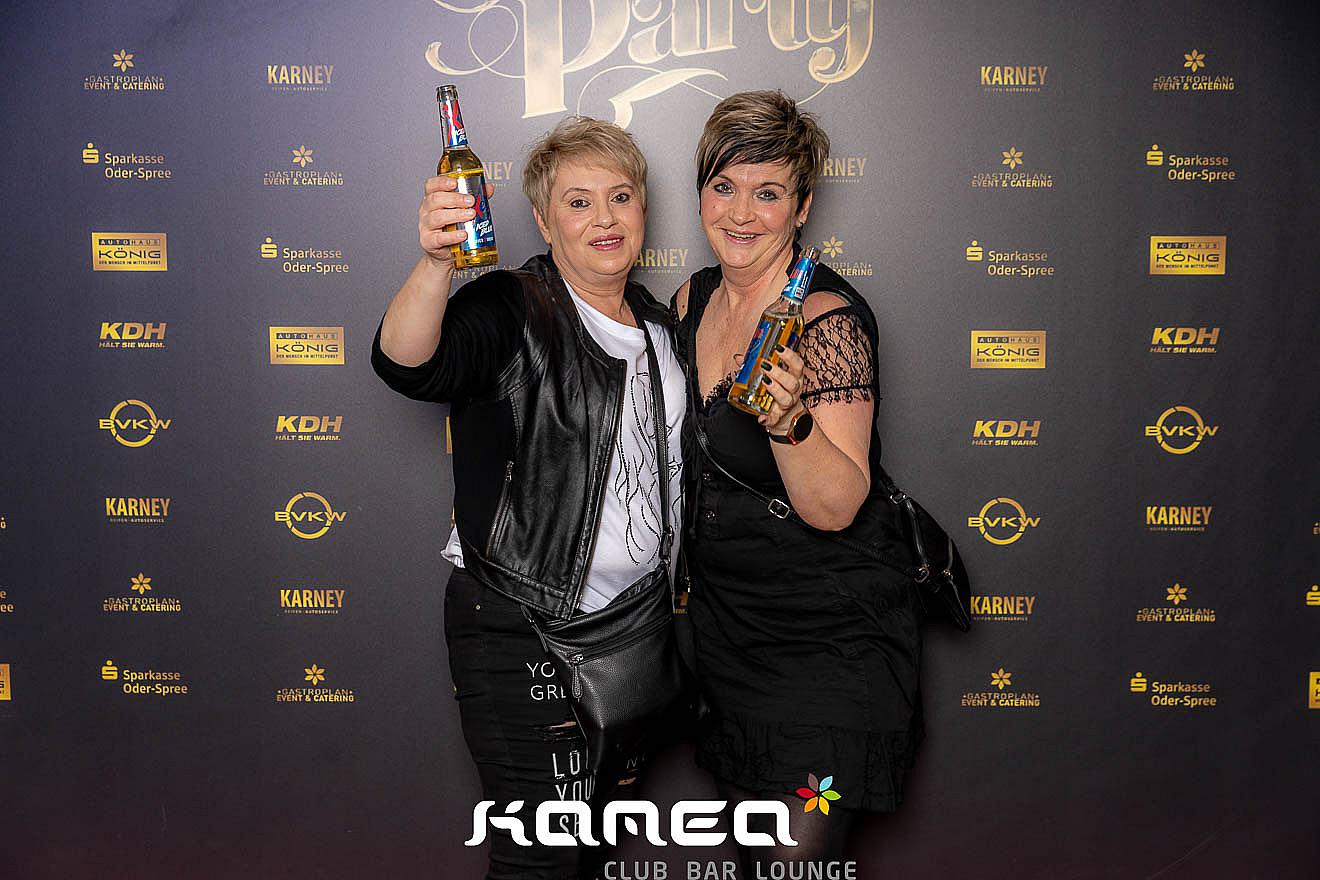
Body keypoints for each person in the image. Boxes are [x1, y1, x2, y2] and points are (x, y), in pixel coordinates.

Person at [371, 116, 685, 880]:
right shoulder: (514, 305)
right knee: (540, 859)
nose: (605, 218)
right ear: (544, 221)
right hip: (523, 626)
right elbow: (407, 364)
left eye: (620, 196)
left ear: (643, 208)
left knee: (584, 857)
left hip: (629, 636)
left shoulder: (658, 323)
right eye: (578, 202)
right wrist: (435, 264)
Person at [671, 91, 923, 869]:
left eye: (769, 192)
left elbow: (837, 505)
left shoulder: (826, 321)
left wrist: (789, 424)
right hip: (728, 640)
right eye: (724, 186)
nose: (742, 213)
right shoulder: (691, 300)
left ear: (803, 207)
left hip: (825, 649)